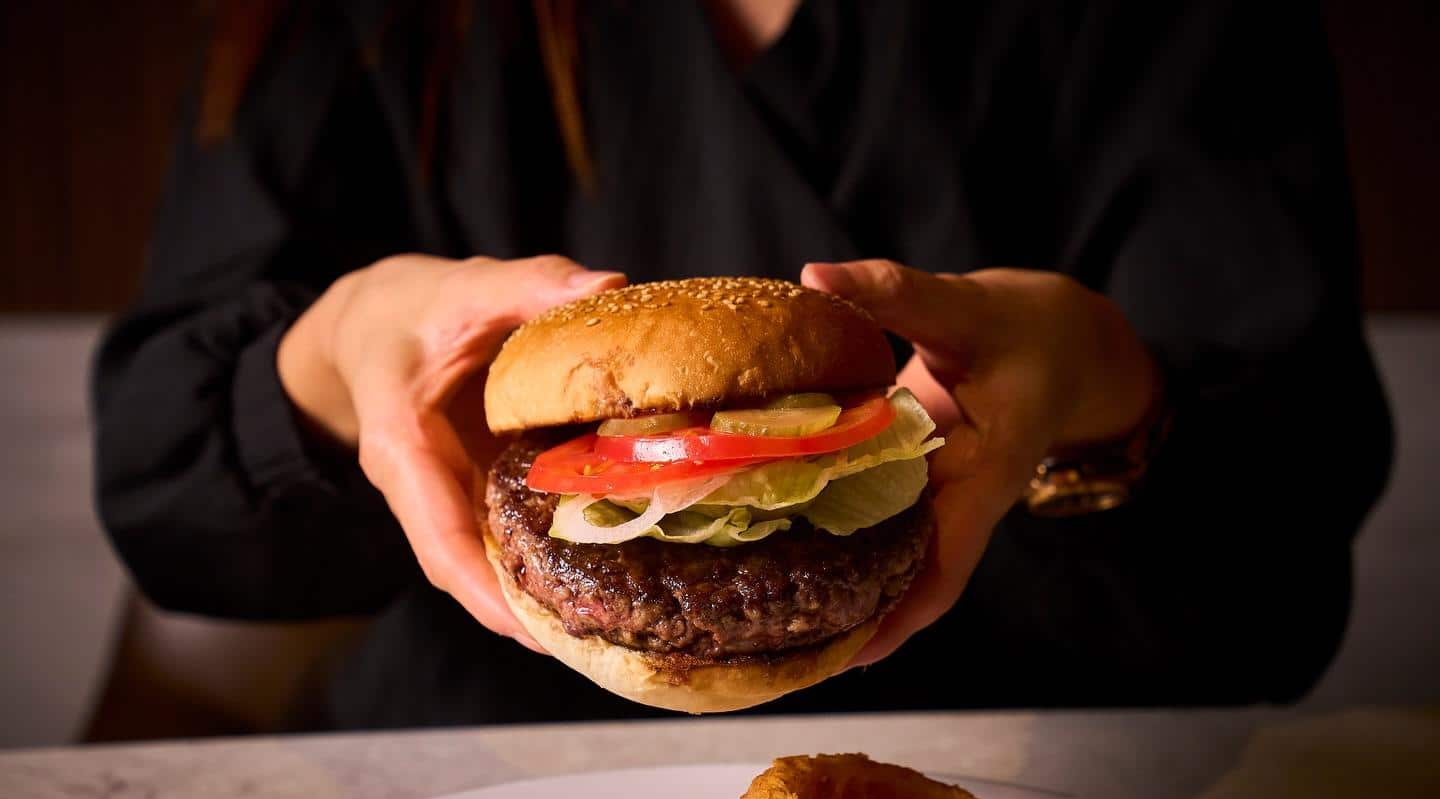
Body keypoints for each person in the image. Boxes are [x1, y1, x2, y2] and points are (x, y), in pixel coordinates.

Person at [93, 0, 1391, 728]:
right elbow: (167, 507)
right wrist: (335, 352)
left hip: (1046, 770)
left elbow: (1280, 586)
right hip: (461, 787)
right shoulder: (369, 25)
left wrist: (1101, 386)